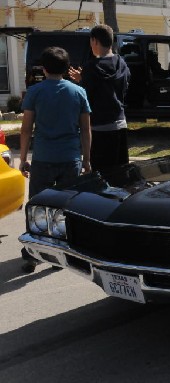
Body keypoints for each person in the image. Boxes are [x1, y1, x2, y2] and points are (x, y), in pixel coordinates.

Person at [19, 46, 92, 273]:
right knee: (64, 208)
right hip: (70, 158)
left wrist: (22, 158)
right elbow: (86, 129)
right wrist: (87, 159)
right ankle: (59, 253)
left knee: (38, 207)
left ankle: (33, 254)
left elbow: (26, 128)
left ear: (43, 68)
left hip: (43, 157)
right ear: (66, 68)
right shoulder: (78, 92)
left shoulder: (35, 91)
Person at [68, 24, 130, 174]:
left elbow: (86, 97)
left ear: (95, 41)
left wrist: (81, 81)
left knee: (102, 177)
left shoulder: (91, 67)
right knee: (121, 174)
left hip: (100, 128)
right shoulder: (121, 63)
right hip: (120, 124)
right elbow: (124, 88)